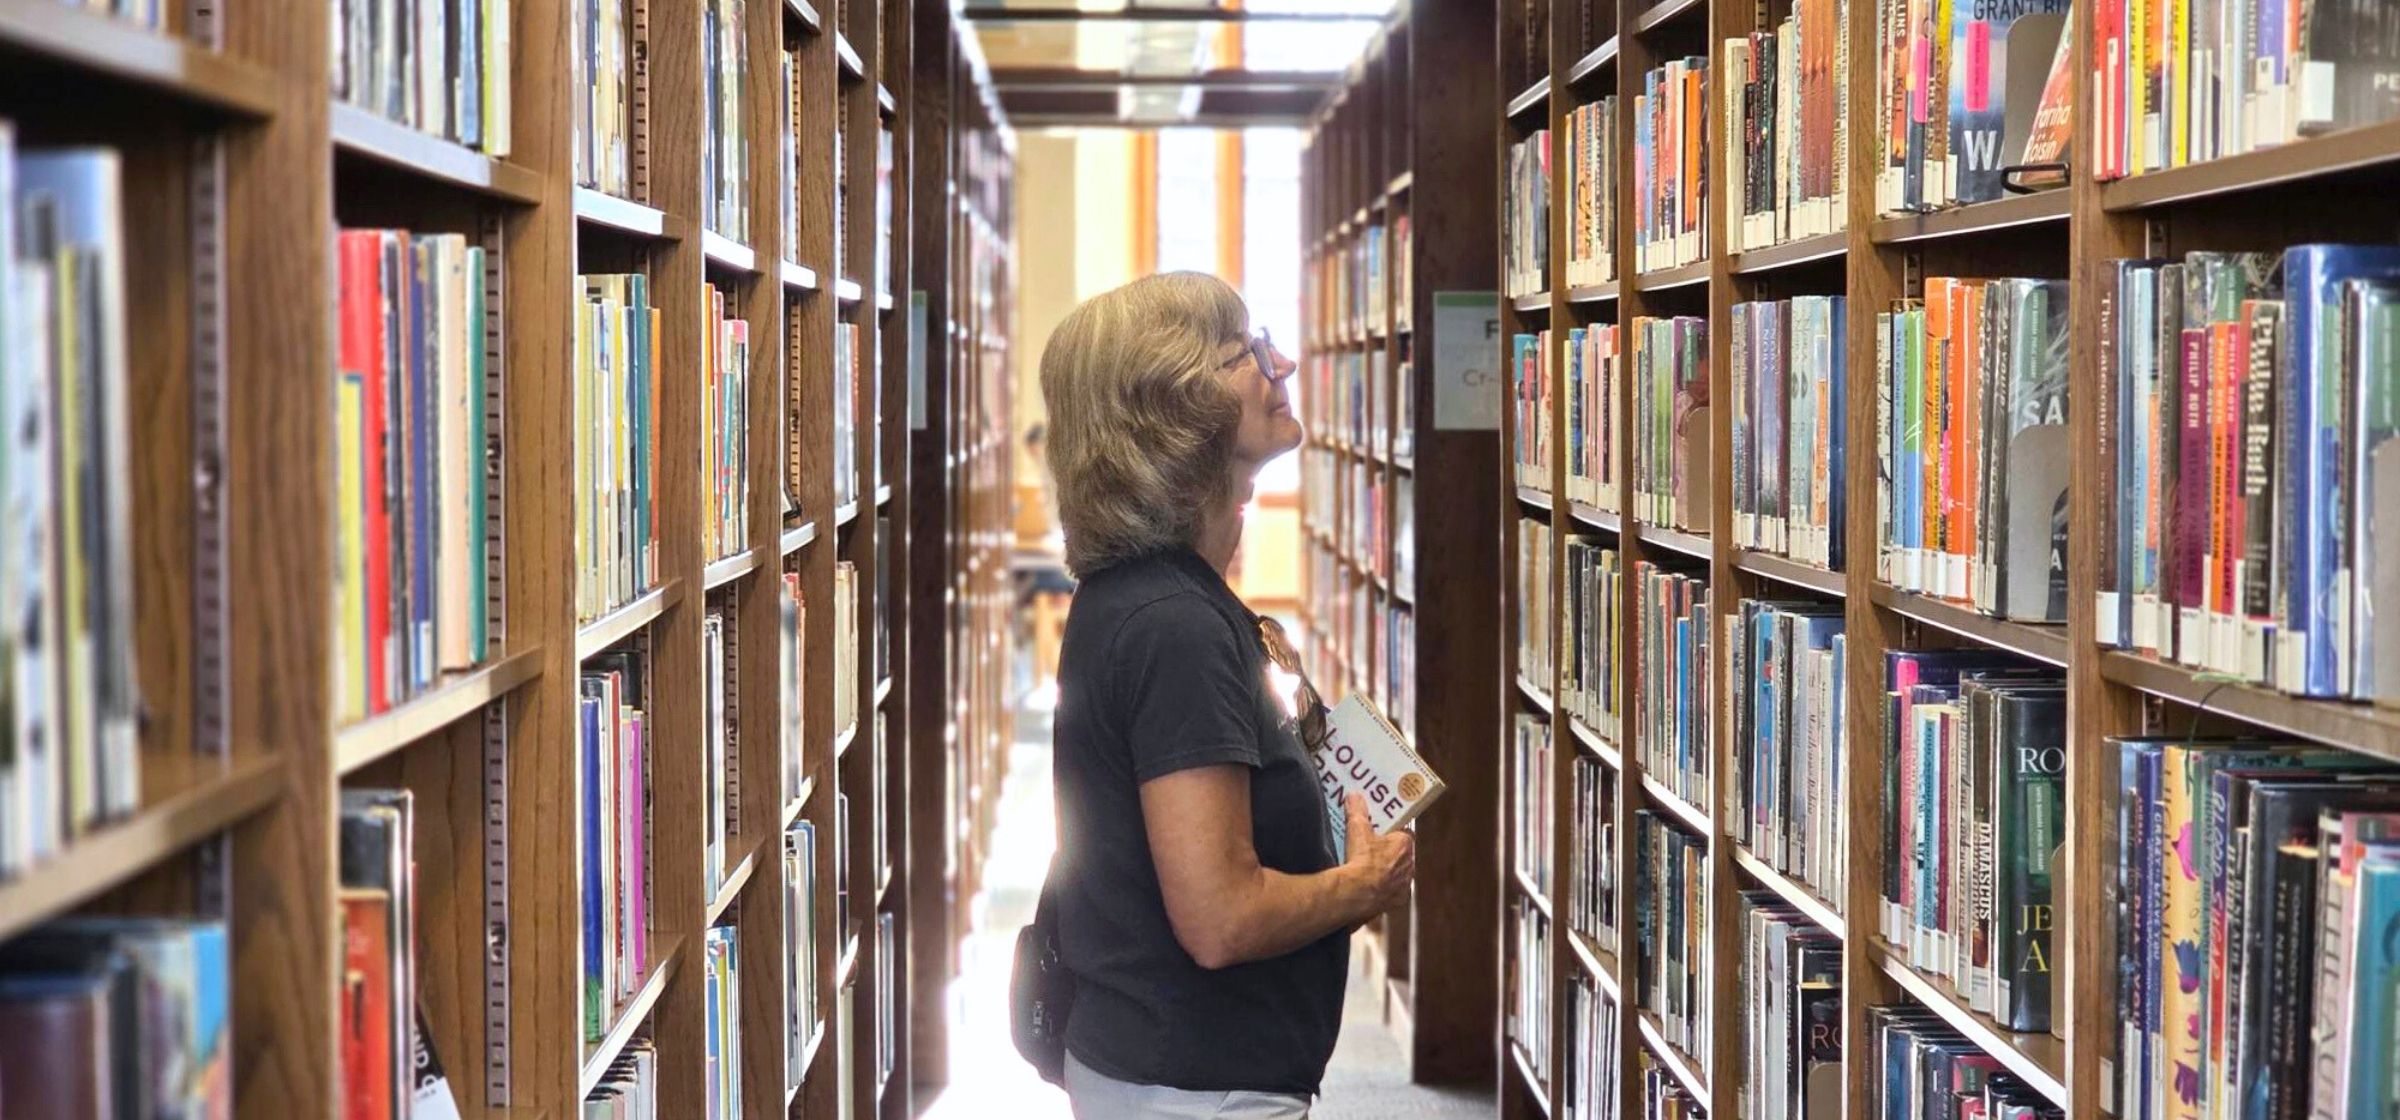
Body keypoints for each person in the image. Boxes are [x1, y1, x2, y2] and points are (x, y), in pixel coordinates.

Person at [1037, 271, 1416, 1119]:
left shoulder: (1152, 593)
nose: (1280, 363)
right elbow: (1220, 919)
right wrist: (1364, 883)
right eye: (1248, 351)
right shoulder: (1176, 626)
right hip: (1197, 1089)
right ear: (1179, 409)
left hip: (1173, 1070)